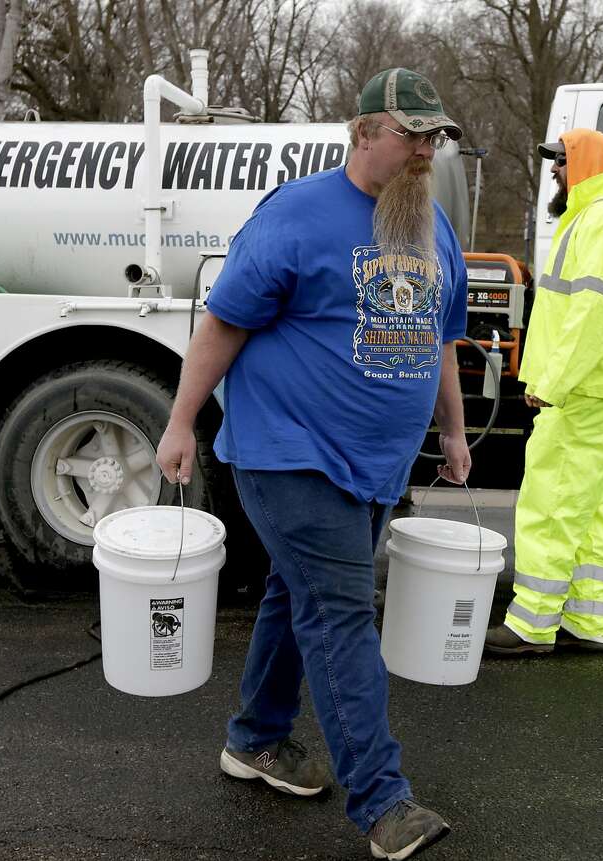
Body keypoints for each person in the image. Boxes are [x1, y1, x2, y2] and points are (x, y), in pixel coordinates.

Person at [156, 68, 470, 860]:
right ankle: (383, 802)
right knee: (340, 611)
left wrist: (455, 433)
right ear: (364, 133)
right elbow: (223, 324)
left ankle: (256, 737)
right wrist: (181, 420)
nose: (425, 150)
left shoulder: (433, 228)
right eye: (411, 134)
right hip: (288, 454)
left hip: (375, 466)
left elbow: (439, 341)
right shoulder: (295, 214)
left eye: (433, 137)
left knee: (297, 592)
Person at [484, 129, 603, 656]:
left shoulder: (600, 222)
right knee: (592, 506)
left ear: (583, 164)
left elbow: (588, 316)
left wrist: (551, 382)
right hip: (599, 387)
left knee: (552, 500)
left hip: (580, 389)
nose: (553, 170)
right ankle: (587, 619)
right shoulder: (598, 219)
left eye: (560, 161)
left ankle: (530, 625)